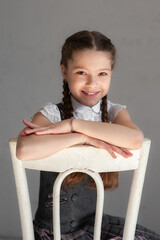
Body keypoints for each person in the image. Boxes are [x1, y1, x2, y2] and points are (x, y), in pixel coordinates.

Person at [16, 30, 160, 240]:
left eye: (102, 73)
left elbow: (135, 139)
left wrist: (73, 124)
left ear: (111, 72)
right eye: (82, 72)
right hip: (54, 232)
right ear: (64, 71)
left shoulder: (113, 112)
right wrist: (80, 137)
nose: (92, 84)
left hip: (90, 224)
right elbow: (23, 149)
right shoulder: (52, 113)